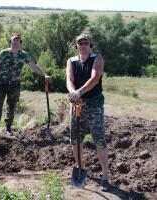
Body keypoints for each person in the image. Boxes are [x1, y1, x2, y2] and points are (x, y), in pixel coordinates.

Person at [66, 33, 110, 191]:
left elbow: (95, 78)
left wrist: (79, 92)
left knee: (99, 139)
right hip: (77, 105)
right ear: (76, 45)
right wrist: (73, 93)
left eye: (86, 43)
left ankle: (105, 175)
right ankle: (80, 167)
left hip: (94, 105)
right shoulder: (71, 61)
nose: (83, 45)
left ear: (90, 45)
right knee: (76, 139)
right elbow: (69, 79)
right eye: (80, 43)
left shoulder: (96, 58)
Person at [0, 33, 51, 137]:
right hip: (1, 84)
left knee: (11, 107)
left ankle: (8, 129)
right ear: (10, 41)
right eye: (14, 40)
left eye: (18, 40)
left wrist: (45, 75)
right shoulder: (3, 53)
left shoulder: (24, 55)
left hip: (14, 84)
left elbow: (34, 66)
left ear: (20, 42)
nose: (16, 42)